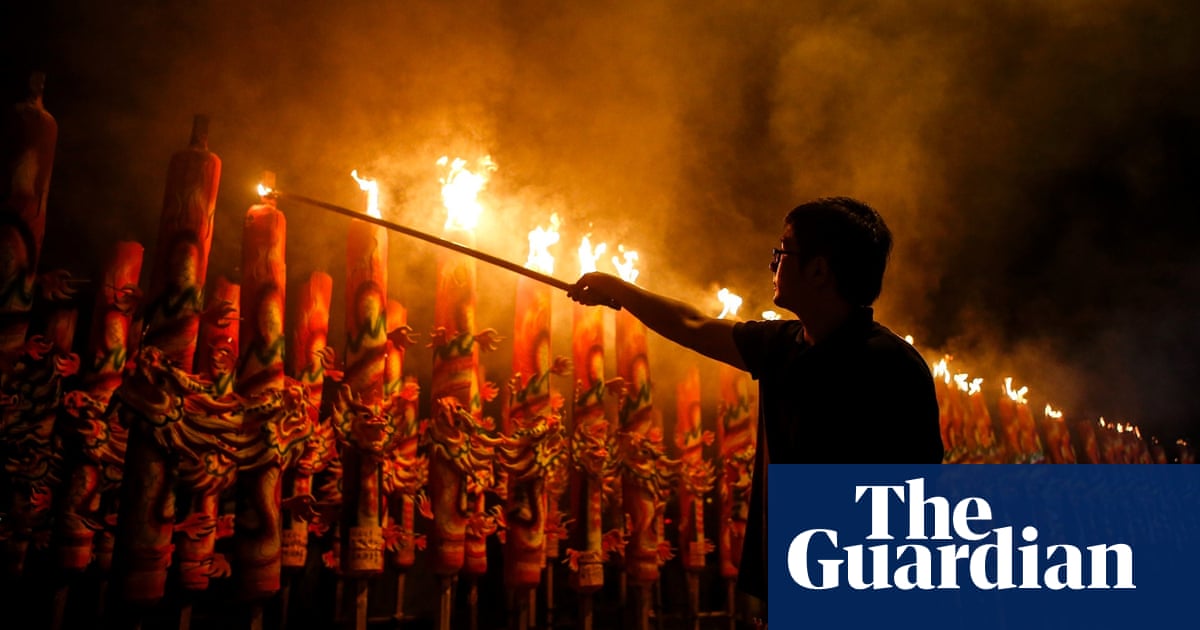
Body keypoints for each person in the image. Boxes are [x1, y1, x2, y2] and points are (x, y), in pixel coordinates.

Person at [566, 196, 944, 605]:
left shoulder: (890, 367)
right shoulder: (783, 345)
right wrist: (614, 288)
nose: (773, 264)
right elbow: (693, 325)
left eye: (783, 251)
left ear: (818, 270)